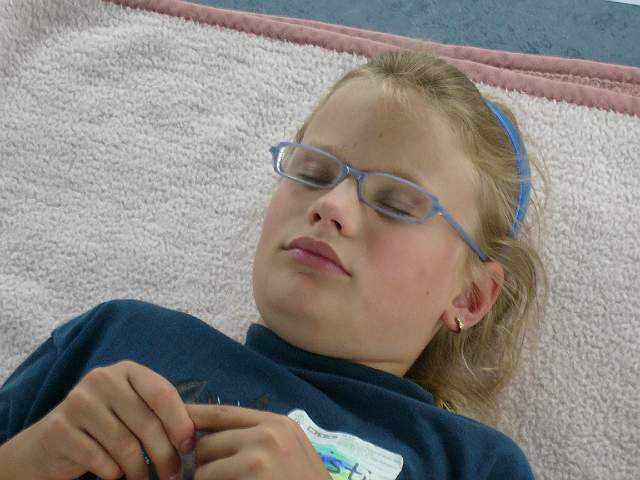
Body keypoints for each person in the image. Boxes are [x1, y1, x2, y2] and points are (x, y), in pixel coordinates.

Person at [0, 49, 549, 480]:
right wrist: (32, 458)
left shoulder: (473, 463)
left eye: (395, 203)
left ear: (470, 297)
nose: (331, 206)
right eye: (312, 172)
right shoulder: (114, 337)